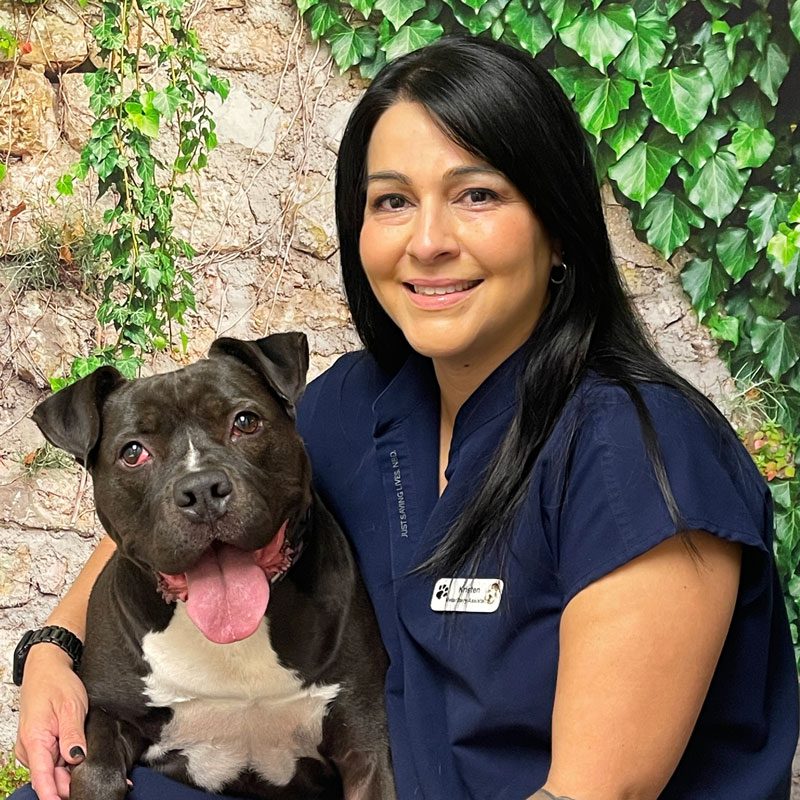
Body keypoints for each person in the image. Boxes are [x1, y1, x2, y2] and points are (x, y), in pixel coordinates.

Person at [10, 34, 799, 800]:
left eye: (477, 195)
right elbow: (189, 510)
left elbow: (598, 792)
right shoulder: (356, 403)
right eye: (392, 202)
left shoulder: (641, 453)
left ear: (558, 227)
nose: (427, 241)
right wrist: (52, 647)